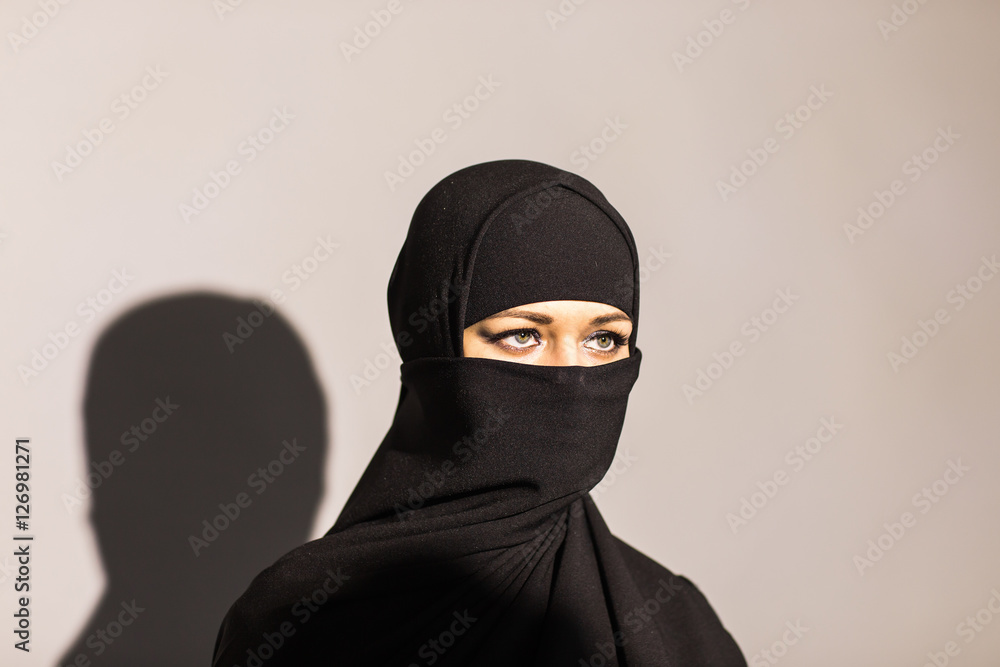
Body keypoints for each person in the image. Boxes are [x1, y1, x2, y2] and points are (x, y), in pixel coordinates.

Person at [212, 159, 746, 665]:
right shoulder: (298, 625)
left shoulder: (679, 624)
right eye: (523, 335)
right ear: (434, 347)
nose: (572, 374)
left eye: (603, 339)